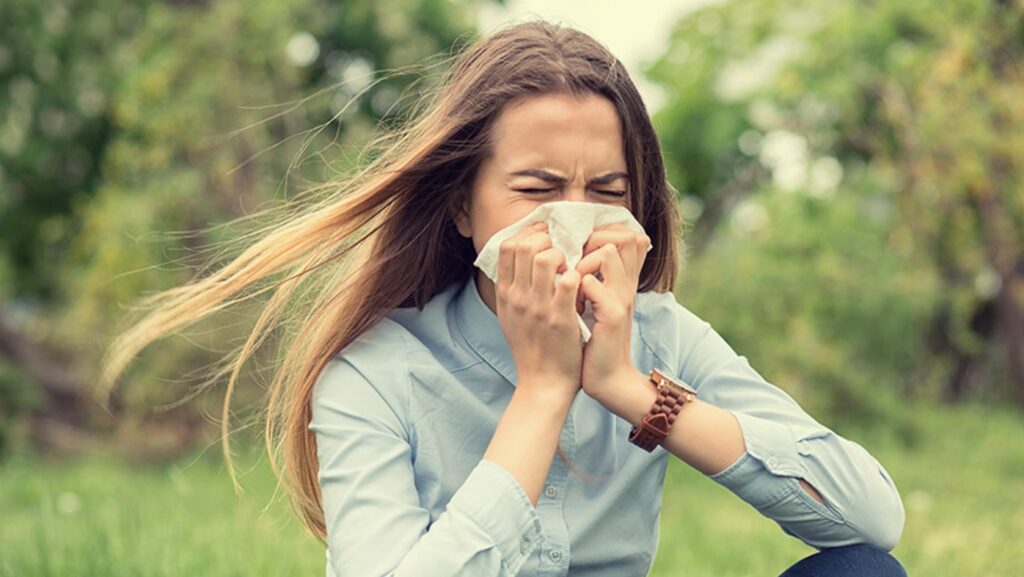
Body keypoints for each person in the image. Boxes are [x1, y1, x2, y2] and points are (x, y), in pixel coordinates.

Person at [100, 19, 907, 577]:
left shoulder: (658, 337)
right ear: (461, 204)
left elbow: (870, 520)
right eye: (538, 187)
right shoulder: (375, 375)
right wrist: (543, 392)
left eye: (608, 189)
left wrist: (628, 387)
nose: (574, 215)